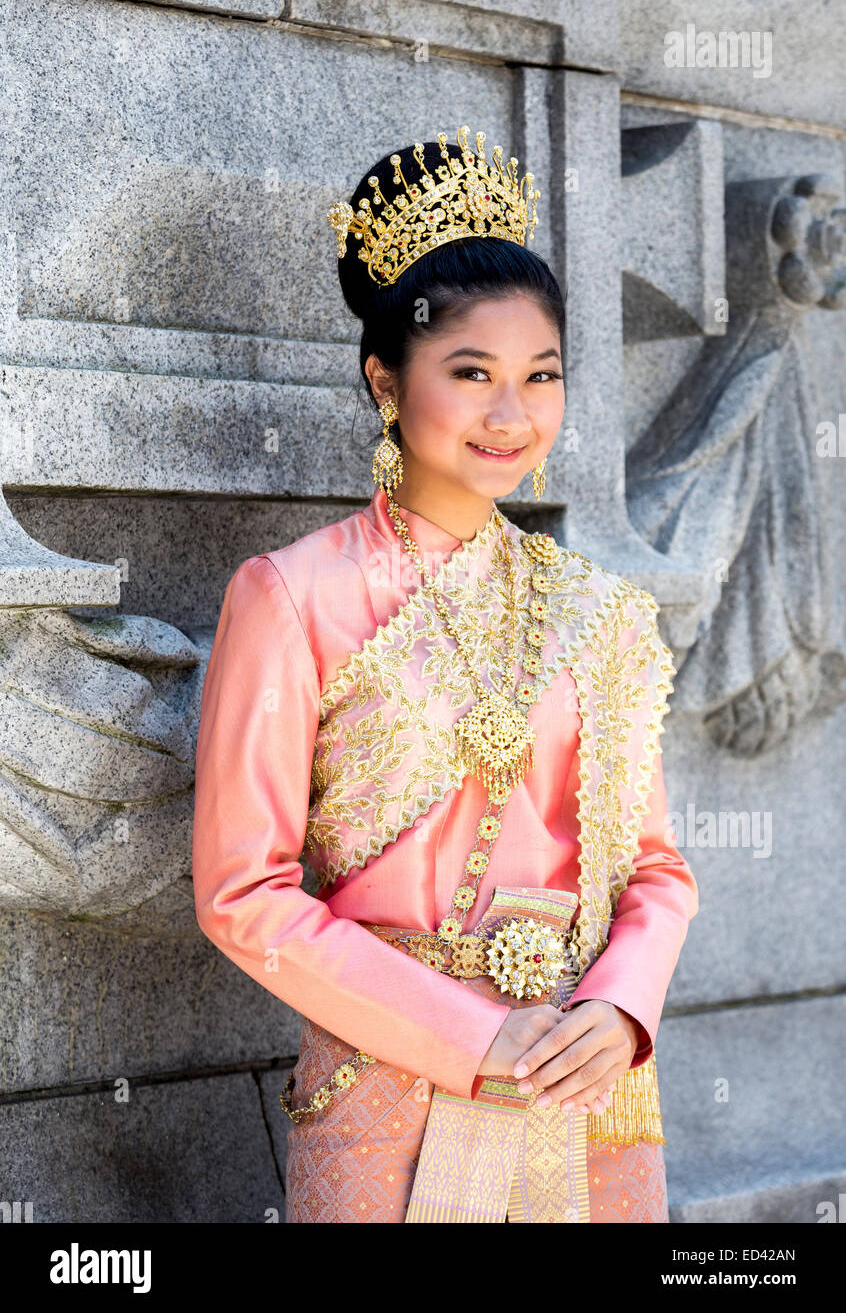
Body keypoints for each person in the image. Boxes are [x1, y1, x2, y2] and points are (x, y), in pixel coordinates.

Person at [192, 126, 699, 1223]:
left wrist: (620, 1010)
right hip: (390, 1083)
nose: (510, 414)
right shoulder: (291, 595)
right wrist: (473, 1034)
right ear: (387, 377)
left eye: (540, 376)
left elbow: (656, 870)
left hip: (585, 1070)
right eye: (470, 373)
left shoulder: (599, 613)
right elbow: (244, 893)